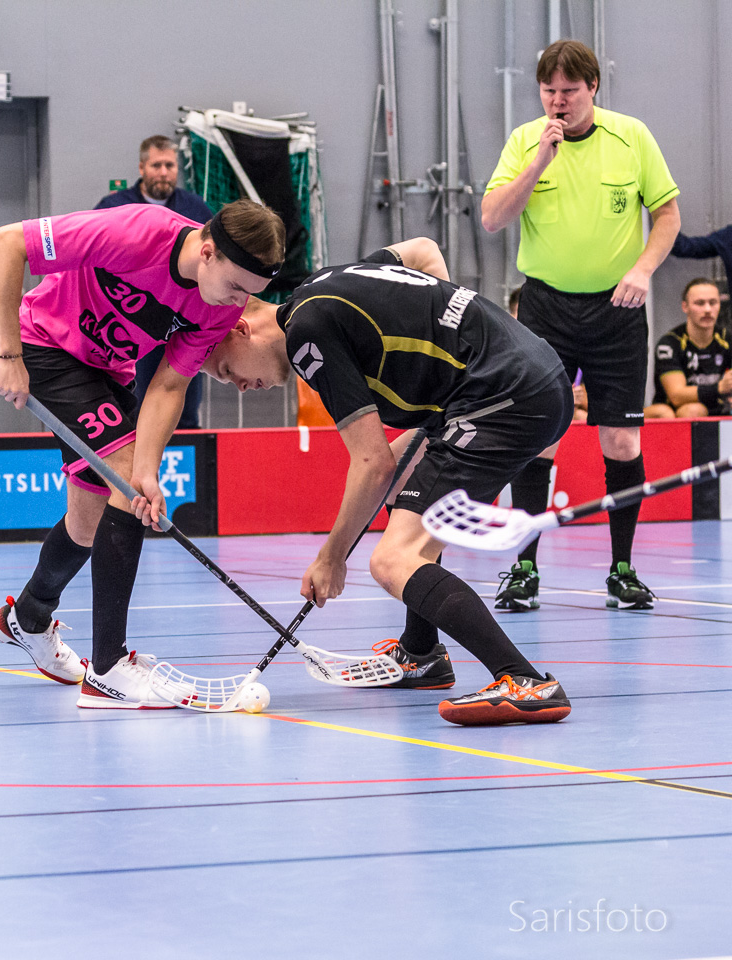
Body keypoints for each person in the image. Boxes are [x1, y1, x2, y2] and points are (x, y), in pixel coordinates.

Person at [201, 238, 573, 725]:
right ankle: (421, 653)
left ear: (241, 329)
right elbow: (422, 251)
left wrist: (331, 558)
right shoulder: (320, 287)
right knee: (403, 484)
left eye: (227, 371)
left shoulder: (307, 337)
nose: (241, 387)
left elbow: (371, 462)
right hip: (513, 382)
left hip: (502, 397)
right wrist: (447, 330)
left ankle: (525, 679)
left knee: (392, 559)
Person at [0, 199, 284, 707]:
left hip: (109, 372)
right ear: (207, 252)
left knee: (91, 519)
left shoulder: (220, 309)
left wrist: (147, 472)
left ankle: (28, 616)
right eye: (236, 286)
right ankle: (107, 671)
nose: (239, 303)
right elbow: (4, 243)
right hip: (47, 347)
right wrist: (8, 354)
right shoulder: (137, 233)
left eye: (249, 294)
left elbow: (168, 385)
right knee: (122, 481)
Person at [480, 39, 680, 612]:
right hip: (545, 307)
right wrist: (539, 163)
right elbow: (492, 218)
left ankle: (622, 568)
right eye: (549, 91)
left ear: (592, 87)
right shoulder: (526, 141)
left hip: (618, 307)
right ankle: (524, 568)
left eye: (569, 90)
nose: (558, 101)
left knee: (620, 439)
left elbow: (667, 214)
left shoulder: (631, 136)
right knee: (539, 434)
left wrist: (643, 269)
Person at [96, 136, 215, 430]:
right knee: (132, 399)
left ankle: (185, 442)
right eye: (156, 165)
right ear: (142, 168)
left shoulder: (195, 208)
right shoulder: (114, 206)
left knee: (182, 402)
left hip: (180, 322)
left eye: (170, 166)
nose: (163, 172)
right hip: (126, 318)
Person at [645, 278, 732, 418]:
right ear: (685, 307)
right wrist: (720, 387)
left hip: (719, 408)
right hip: (675, 413)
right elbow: (676, 396)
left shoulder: (727, 339)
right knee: (692, 410)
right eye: (700, 303)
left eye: (713, 302)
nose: (707, 309)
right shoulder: (669, 344)